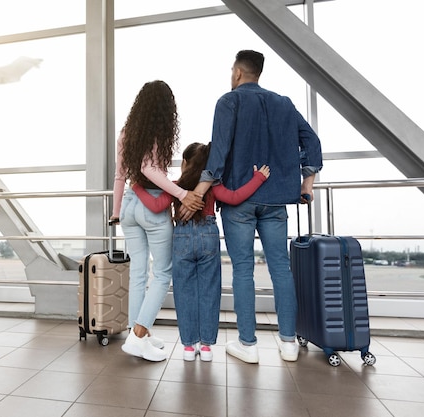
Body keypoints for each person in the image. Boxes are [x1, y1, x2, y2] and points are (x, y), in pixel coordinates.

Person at [184, 50, 323, 364]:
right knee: (280, 270)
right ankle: (288, 343)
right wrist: (307, 183)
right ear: (259, 72)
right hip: (276, 200)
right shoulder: (284, 103)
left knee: (243, 271)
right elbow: (311, 141)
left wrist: (200, 190)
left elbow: (218, 153)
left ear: (237, 72)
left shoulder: (229, 101)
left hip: (240, 200)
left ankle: (248, 344)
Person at [133, 142, 269, 361]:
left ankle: (188, 347)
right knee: (209, 292)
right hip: (209, 236)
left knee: (184, 293)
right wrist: (258, 179)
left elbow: (157, 206)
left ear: (185, 162)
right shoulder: (212, 186)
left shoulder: (177, 186)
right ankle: (205, 347)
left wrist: (137, 187)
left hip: (182, 239)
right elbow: (235, 197)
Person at [111, 80, 204, 362]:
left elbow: (120, 175)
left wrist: (116, 211)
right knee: (163, 273)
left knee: (139, 272)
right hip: (151, 205)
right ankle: (138, 337)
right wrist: (182, 193)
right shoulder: (156, 132)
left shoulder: (127, 132)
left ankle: (137, 333)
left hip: (129, 204)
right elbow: (148, 168)